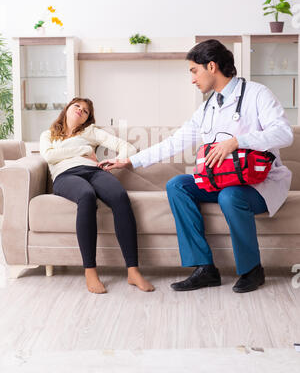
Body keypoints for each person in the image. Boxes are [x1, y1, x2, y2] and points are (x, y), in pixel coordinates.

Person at [99, 39, 294, 294]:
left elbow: (284, 134)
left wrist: (236, 142)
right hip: (223, 178)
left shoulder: (257, 94)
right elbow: (175, 142)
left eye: (194, 70)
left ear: (211, 66)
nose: (192, 79)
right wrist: (131, 160)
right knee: (178, 185)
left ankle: (252, 270)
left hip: (259, 183)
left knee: (230, 195)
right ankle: (205, 268)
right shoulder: (207, 108)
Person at [40, 97, 154, 294]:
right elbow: (49, 156)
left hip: (94, 171)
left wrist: (115, 161)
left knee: (120, 196)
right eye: (77, 106)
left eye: (85, 111)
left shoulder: (90, 132)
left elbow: (128, 147)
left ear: (86, 119)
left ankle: (133, 271)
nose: (80, 110)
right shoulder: (48, 135)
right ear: (67, 109)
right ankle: (90, 272)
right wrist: (84, 149)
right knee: (86, 196)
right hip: (65, 175)